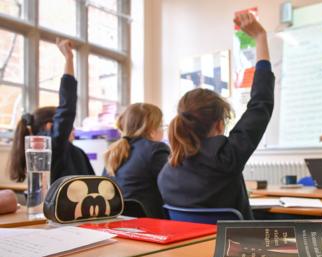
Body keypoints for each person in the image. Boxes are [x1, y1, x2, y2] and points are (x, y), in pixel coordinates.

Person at [158, 13, 274, 220]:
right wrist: (260, 37)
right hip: (237, 251)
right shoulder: (227, 157)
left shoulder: (166, 173)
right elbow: (261, 103)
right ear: (220, 125)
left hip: (187, 252)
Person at [8, 38, 94, 184]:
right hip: (62, 206)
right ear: (49, 126)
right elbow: (67, 108)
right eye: (69, 126)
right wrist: (69, 59)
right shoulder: (51, 149)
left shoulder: (75, 152)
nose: (72, 129)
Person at [103, 103, 170, 218]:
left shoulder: (113, 151)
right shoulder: (156, 149)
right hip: (150, 222)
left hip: (118, 220)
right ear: (152, 129)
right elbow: (170, 188)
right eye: (161, 126)